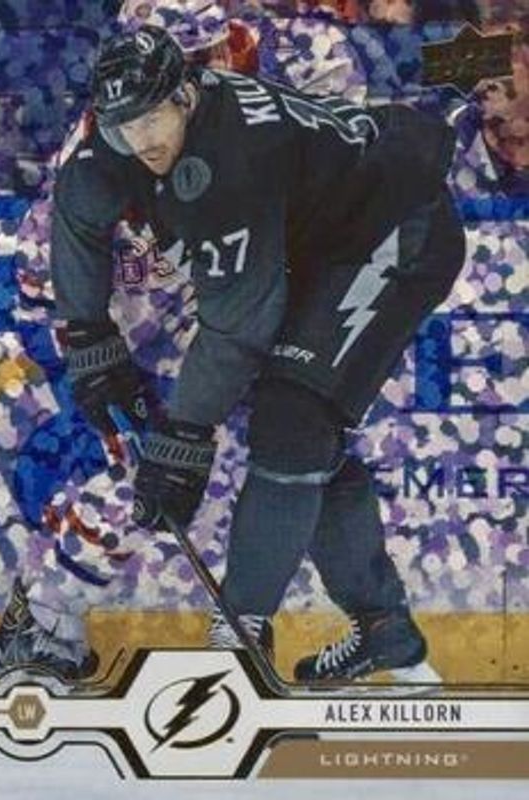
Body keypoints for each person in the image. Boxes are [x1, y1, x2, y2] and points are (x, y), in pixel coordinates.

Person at [42, 22, 465, 685]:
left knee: (294, 419)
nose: (142, 141)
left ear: (185, 95)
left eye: (152, 119)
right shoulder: (121, 137)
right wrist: (88, 336)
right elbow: (79, 207)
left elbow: (239, 326)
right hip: (317, 241)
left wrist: (183, 439)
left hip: (394, 227)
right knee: (307, 441)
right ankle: (384, 629)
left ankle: (235, 648)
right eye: (124, 129)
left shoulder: (231, 159)